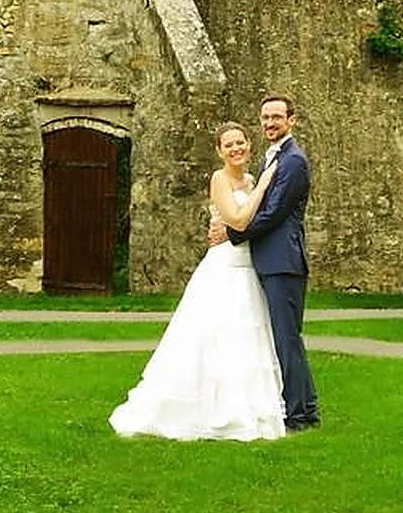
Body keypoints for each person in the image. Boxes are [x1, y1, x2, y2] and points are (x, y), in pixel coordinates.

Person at [108, 122, 287, 441]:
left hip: (249, 267)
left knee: (246, 341)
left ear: (249, 145)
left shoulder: (250, 178)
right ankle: (198, 411)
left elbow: (262, 221)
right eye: (228, 145)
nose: (236, 149)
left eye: (240, 143)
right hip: (224, 267)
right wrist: (263, 186)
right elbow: (237, 219)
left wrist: (258, 185)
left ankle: (243, 413)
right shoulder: (220, 179)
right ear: (219, 151)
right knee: (209, 337)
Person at [213, 94, 320, 432]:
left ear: (293, 120)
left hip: (283, 261)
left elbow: (273, 214)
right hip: (265, 261)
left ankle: (303, 413)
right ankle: (292, 405)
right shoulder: (271, 159)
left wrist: (231, 234)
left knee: (287, 339)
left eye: (277, 117)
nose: (270, 123)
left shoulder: (293, 161)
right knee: (276, 339)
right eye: (265, 118)